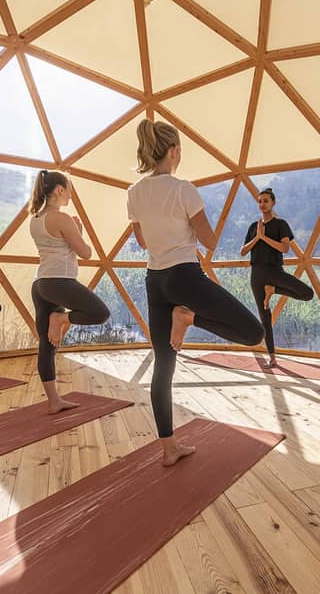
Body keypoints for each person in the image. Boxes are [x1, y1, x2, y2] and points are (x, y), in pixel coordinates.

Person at [128, 119, 264, 467]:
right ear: (173, 151)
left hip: (154, 280)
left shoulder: (135, 193)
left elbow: (142, 241)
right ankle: (188, 316)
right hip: (185, 276)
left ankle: (169, 447)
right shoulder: (184, 188)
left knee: (164, 365)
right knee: (253, 332)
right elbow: (210, 240)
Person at [29, 170, 110, 413]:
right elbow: (85, 253)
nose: (71, 195)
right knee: (100, 312)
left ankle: (54, 401)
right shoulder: (61, 219)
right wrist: (79, 232)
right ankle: (60, 318)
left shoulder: (35, 218)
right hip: (59, 282)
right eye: (69, 190)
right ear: (59, 190)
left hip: (41, 284)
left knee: (47, 344)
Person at [241, 188, 314, 368]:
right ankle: (272, 357)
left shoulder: (281, 224)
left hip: (274, 271)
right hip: (256, 273)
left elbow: (284, 249)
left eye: (265, 200)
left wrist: (264, 237)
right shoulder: (253, 227)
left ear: (273, 202)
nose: (262, 204)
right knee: (264, 316)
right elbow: (243, 251)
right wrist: (257, 237)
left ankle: (273, 289)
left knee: (307, 293)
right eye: (259, 201)